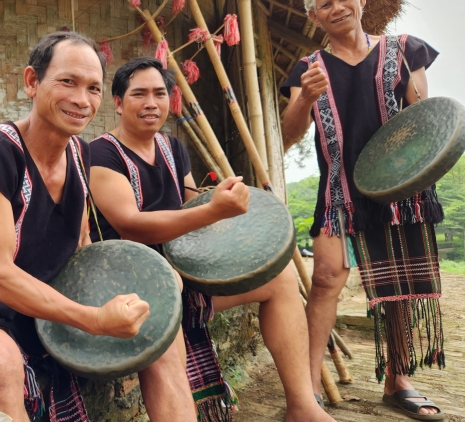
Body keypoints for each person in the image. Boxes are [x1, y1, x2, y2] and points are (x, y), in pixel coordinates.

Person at [0, 32, 196, 422]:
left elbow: (81, 245)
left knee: (158, 330)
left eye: (93, 88)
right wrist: (94, 319)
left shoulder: (80, 154)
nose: (82, 100)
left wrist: (151, 280)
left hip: (46, 302)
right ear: (32, 81)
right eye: (68, 82)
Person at [88, 56, 335, 422]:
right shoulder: (100, 153)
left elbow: (193, 217)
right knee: (167, 286)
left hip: (181, 276)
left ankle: (302, 406)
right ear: (119, 103)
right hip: (132, 284)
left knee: (280, 278)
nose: (151, 103)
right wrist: (212, 210)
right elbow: (130, 225)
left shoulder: (173, 149)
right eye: (139, 94)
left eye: (159, 93)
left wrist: (217, 204)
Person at [281, 0, 445, 420]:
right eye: (323, 4)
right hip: (338, 190)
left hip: (399, 186)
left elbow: (426, 121)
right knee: (325, 277)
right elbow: (287, 135)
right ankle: (308, 390)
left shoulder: (405, 51)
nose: (336, 8)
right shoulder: (307, 68)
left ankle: (398, 380)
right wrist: (305, 100)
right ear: (314, 16)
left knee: (399, 283)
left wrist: (416, 178)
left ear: (362, 2)